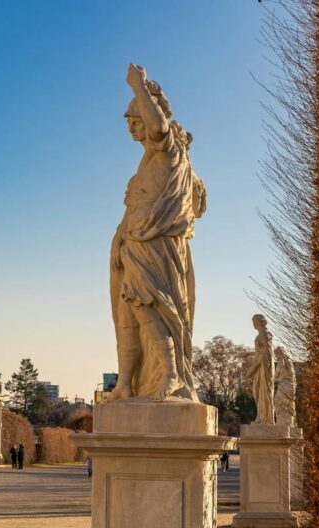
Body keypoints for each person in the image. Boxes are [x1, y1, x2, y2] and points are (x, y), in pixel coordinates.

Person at [106, 64, 205, 403]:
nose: (134, 128)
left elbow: (160, 130)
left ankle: (172, 371)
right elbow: (133, 206)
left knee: (148, 306)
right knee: (126, 315)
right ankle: (125, 384)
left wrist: (138, 87)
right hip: (135, 247)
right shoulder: (146, 162)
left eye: (137, 121)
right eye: (130, 123)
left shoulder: (169, 149)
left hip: (155, 248)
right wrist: (120, 239)